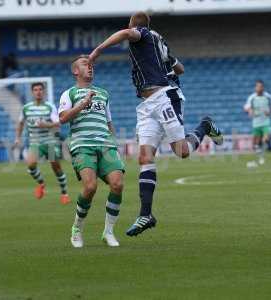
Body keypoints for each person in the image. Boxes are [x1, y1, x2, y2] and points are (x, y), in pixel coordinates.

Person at [89, 11, 223, 236]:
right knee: (144, 157)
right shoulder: (159, 42)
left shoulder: (142, 33)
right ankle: (146, 214)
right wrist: (164, 63)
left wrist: (97, 51)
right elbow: (180, 69)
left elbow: (123, 33)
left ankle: (205, 125)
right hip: (147, 104)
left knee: (181, 151)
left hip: (164, 98)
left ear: (135, 25)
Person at [59, 55, 125, 248]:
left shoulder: (103, 94)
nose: (90, 67)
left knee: (118, 184)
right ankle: (77, 229)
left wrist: (115, 143)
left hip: (105, 144)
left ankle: (108, 232)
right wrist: (82, 104)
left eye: (91, 65)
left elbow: (109, 121)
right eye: (85, 64)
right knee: (90, 187)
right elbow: (62, 118)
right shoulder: (69, 94)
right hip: (82, 144)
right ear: (75, 71)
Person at [15, 82, 71, 205]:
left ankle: (64, 193)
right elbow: (20, 123)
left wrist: (46, 125)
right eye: (35, 90)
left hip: (50, 141)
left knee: (55, 165)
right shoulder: (26, 108)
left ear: (44, 91)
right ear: (32, 92)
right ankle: (41, 183)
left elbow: (57, 123)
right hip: (35, 141)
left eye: (40, 89)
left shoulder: (49, 107)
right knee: (30, 165)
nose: (38, 91)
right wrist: (17, 138)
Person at [244, 80, 271, 166]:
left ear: (263, 87)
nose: (259, 88)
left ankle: (262, 156)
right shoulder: (252, 97)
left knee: (265, 138)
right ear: (255, 87)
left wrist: (270, 112)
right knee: (256, 142)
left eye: (261, 86)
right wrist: (250, 111)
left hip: (266, 121)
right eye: (258, 86)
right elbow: (246, 107)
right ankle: (260, 155)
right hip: (256, 122)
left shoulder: (268, 96)